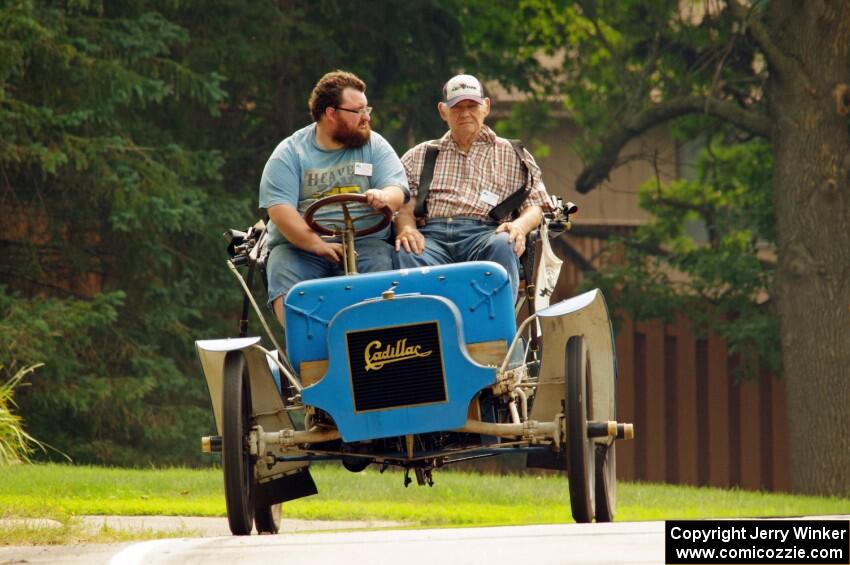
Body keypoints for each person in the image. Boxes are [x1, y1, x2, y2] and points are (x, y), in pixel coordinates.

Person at [260, 70, 409, 322]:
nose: (366, 118)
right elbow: (280, 212)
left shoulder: (375, 145)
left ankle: (382, 345)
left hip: (366, 242)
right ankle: (309, 354)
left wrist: (384, 196)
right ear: (331, 113)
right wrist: (317, 246)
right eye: (358, 111)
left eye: (367, 109)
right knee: (286, 278)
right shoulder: (290, 152)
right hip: (301, 247)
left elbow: (398, 190)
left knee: (384, 281)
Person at [394, 74, 551, 300]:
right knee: (407, 250)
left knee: (504, 243)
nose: (465, 113)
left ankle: (497, 331)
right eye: (457, 107)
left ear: (485, 106)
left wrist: (519, 226)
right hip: (432, 238)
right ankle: (424, 331)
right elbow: (404, 206)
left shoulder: (513, 153)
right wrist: (407, 228)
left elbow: (535, 206)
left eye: (472, 105)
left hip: (486, 234)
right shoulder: (420, 154)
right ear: (443, 111)